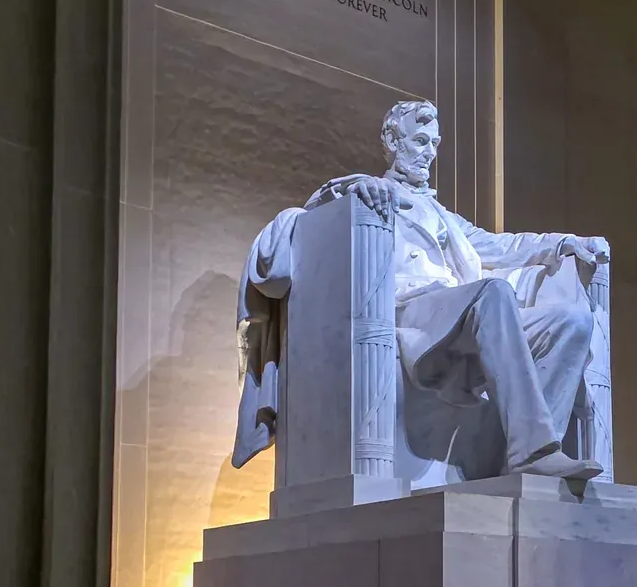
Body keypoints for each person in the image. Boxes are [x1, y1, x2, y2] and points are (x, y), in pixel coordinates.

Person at [233, 98, 609, 479]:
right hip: (410, 312)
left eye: (434, 143)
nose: (429, 153)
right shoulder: (364, 192)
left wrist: (563, 243)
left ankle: (529, 457)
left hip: (461, 313)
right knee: (493, 292)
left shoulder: (442, 214)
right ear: (393, 141)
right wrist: (357, 187)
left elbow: (502, 246)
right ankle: (534, 452)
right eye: (420, 141)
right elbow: (316, 211)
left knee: (572, 320)